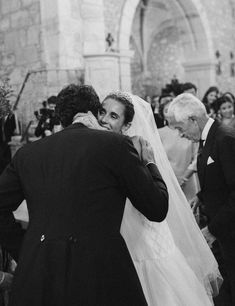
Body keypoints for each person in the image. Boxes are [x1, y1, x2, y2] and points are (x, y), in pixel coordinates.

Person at [0, 84, 169, 306]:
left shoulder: (27, 154)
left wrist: (23, 248)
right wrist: (149, 162)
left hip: (38, 275)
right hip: (101, 275)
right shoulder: (115, 145)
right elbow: (157, 208)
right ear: (93, 113)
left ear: (59, 117)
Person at [75, 91, 222, 305]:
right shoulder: (99, 150)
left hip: (145, 245)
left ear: (127, 126)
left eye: (114, 116)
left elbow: (153, 204)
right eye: (102, 112)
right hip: (117, 247)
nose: (104, 120)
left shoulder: (134, 150)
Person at [167, 93, 235, 305]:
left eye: (179, 128)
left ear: (193, 120)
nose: (180, 135)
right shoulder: (207, 137)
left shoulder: (225, 138)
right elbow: (219, 179)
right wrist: (200, 196)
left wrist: (213, 229)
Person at [158, 98, 199, 201]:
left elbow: (197, 157)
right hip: (167, 181)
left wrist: (184, 179)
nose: (171, 112)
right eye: (167, 110)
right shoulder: (158, 133)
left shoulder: (189, 129)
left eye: (173, 109)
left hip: (188, 180)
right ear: (162, 114)